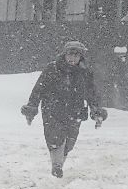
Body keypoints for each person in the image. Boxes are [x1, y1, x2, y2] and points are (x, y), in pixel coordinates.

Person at [22, 40, 107, 177]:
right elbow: (38, 89)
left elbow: (92, 93)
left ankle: (59, 163)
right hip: (52, 110)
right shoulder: (52, 69)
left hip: (75, 111)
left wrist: (96, 112)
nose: (72, 58)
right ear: (64, 55)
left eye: (76, 55)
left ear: (81, 57)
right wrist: (31, 108)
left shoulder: (84, 72)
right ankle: (57, 166)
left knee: (69, 142)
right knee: (55, 138)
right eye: (70, 55)